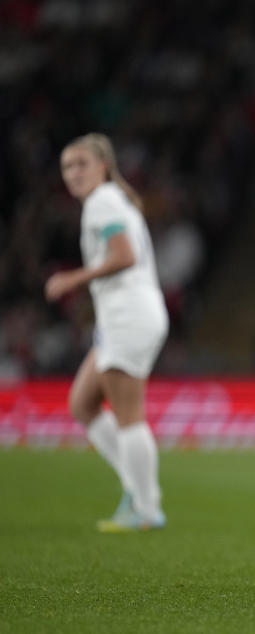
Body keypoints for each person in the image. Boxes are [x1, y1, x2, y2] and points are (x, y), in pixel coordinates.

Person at [45, 133, 168, 532]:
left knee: (129, 415)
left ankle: (146, 507)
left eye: (81, 164)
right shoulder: (113, 199)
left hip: (129, 316)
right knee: (83, 403)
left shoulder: (102, 201)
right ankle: (137, 489)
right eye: (67, 167)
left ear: (102, 166)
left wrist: (72, 280)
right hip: (124, 315)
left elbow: (123, 257)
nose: (73, 174)